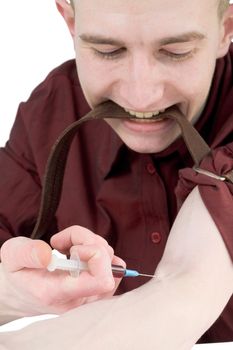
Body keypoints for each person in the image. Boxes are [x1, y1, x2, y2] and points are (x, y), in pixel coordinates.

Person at [0, 0, 233, 348]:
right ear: (70, 22)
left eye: (176, 51)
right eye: (107, 50)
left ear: (226, 30)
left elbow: (183, 291)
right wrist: (13, 292)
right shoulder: (51, 110)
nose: (141, 96)